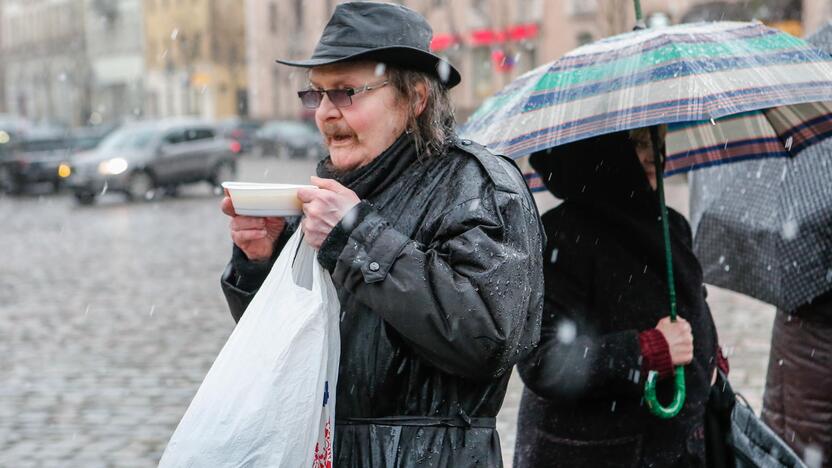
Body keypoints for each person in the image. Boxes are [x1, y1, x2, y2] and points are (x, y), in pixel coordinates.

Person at [219, 3, 544, 466]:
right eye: (317, 95)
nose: (326, 114)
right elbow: (289, 352)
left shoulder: (478, 186)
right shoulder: (339, 192)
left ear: (415, 99)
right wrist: (260, 263)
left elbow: (487, 338)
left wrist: (356, 237)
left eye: (347, 92)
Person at [513, 128, 728, 467]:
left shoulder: (671, 225)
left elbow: (692, 307)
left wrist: (709, 358)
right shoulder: (560, 237)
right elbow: (543, 359)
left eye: (658, 142)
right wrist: (646, 351)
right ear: (602, 148)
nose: (653, 156)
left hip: (674, 448)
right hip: (597, 452)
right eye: (638, 143)